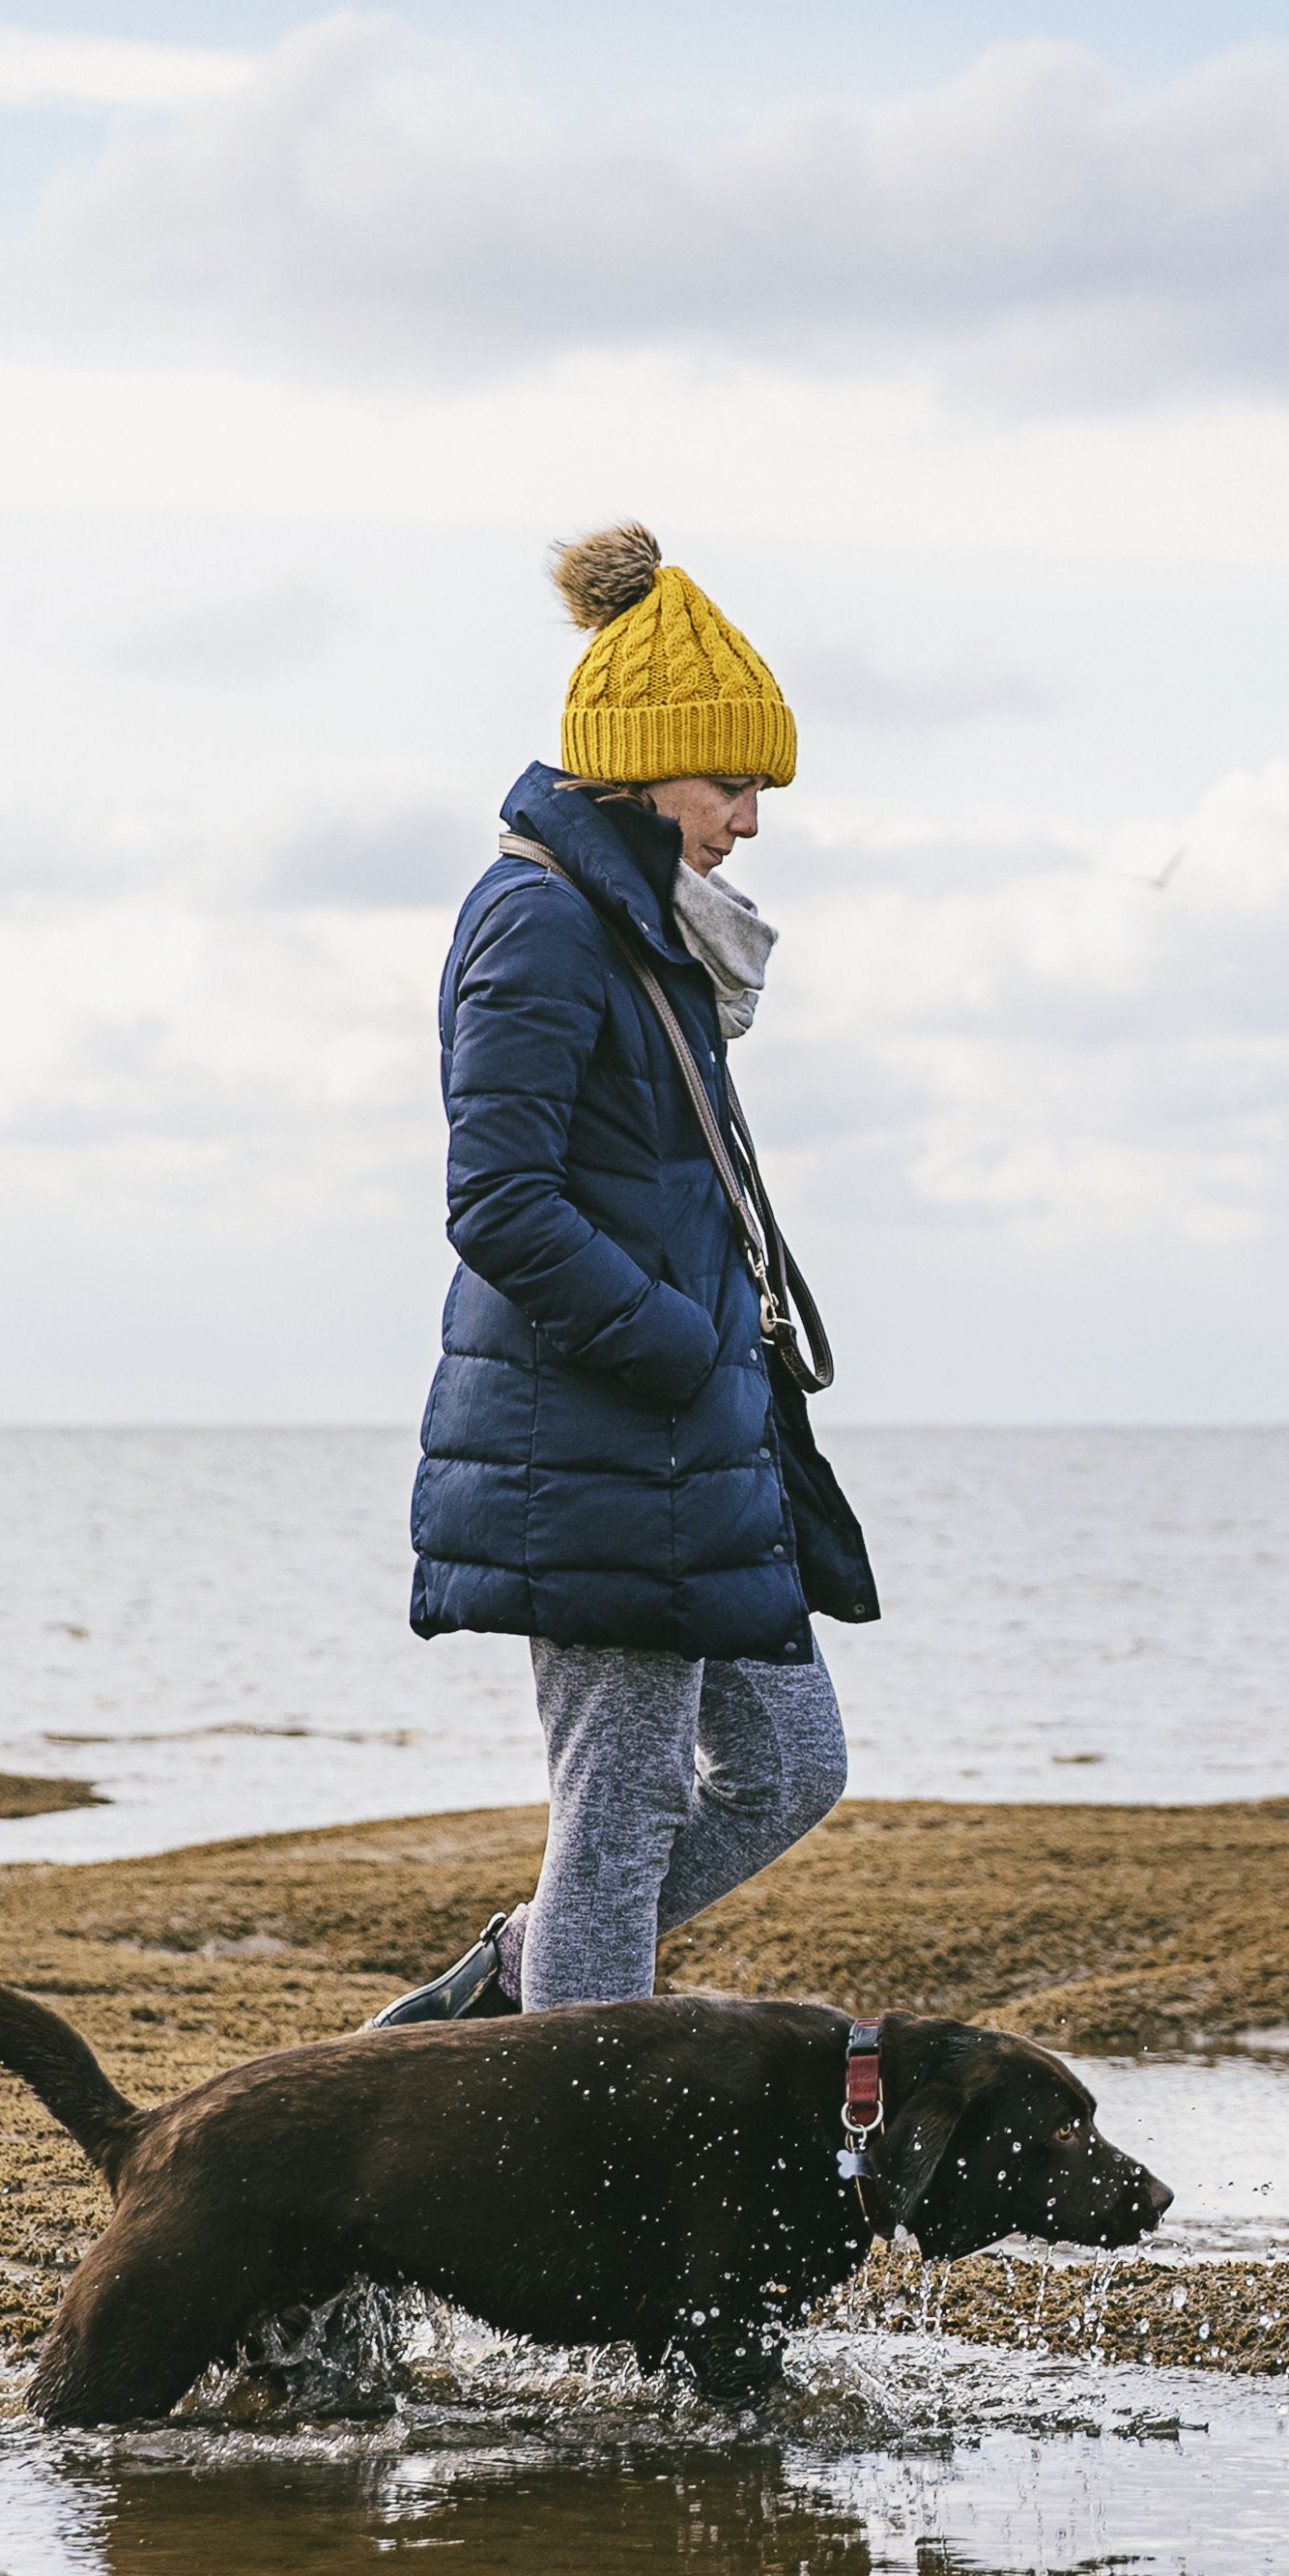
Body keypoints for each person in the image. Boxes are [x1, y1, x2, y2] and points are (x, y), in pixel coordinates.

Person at [374, 523, 848, 2022]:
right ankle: (564, 2123)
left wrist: (720, 1369)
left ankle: (513, 1987)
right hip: (597, 1434)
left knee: (790, 1768)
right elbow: (498, 1201)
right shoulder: (541, 921)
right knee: (625, 1801)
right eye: (730, 785)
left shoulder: (644, 935)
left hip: (688, 1435)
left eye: (760, 787)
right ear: (639, 770)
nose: (752, 821)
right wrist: (666, 1348)